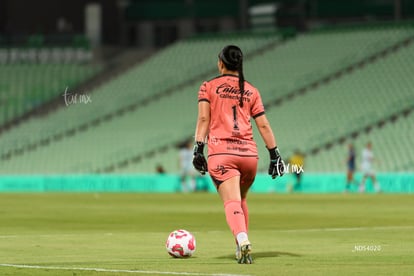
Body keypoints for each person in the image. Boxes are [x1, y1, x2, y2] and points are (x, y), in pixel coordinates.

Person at [192, 45, 284, 264]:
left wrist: (198, 149)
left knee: (231, 202)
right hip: (249, 156)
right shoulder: (252, 90)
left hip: (222, 153)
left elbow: (204, 120)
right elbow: (263, 125)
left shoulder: (208, 86)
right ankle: (240, 246)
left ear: (221, 63)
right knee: (241, 199)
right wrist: (275, 155)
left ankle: (242, 239)